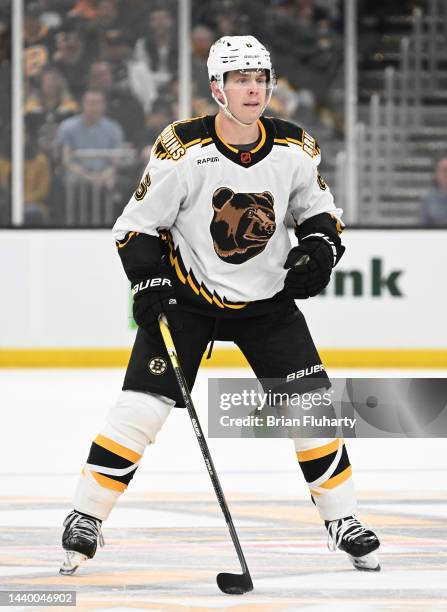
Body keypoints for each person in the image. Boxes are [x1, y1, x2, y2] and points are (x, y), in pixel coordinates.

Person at [60, 35, 381, 577]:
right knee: (141, 408)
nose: (253, 89)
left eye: (260, 78)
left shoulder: (294, 146)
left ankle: (342, 518)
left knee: (311, 408)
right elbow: (137, 226)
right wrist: (149, 281)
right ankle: (85, 515)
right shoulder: (183, 149)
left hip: (267, 303)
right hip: (188, 301)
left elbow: (319, 212)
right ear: (217, 88)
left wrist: (319, 249)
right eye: (240, 79)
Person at [420, 154, 447, 226]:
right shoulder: (428, 200)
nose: (445, 173)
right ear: (436, 174)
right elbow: (422, 227)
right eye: (441, 169)